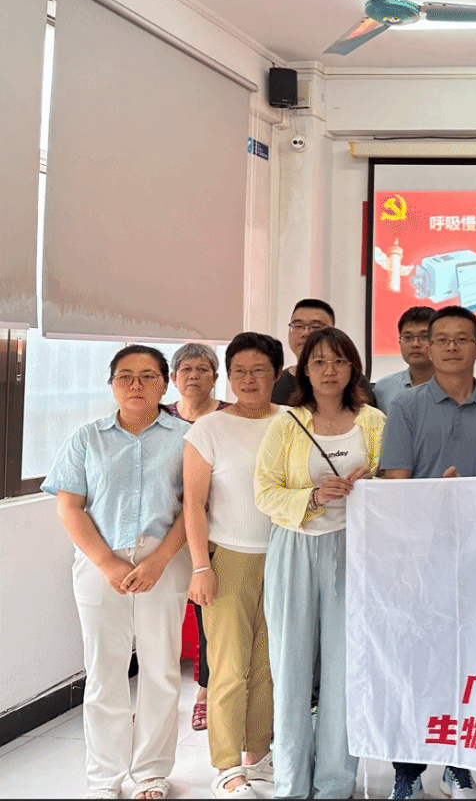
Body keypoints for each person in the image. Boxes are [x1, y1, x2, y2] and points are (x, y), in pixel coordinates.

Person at [380, 305, 476, 801]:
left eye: (463, 338)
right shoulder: (405, 407)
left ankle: (459, 766)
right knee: (414, 663)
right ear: (428, 347)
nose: (452, 347)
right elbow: (395, 485)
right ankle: (407, 768)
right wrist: (439, 495)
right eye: (441, 339)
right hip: (417, 556)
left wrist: (473, 492)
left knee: (469, 663)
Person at [42, 345, 192, 801]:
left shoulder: (188, 438)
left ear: (165, 384)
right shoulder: (87, 438)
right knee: (104, 671)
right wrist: (107, 563)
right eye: (125, 376)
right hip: (99, 561)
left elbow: (195, 507)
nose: (136, 384)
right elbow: (70, 507)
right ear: (111, 384)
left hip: (164, 560)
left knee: (160, 669)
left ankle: (151, 772)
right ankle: (104, 777)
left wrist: (158, 560)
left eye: (148, 376)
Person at [255, 326, 386, 800]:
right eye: (319, 362)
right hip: (294, 547)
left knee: (345, 669)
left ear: (354, 368)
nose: (330, 371)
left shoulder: (373, 422)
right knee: (289, 666)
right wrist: (312, 495)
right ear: (304, 370)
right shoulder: (286, 424)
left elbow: (394, 490)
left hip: (354, 550)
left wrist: (370, 486)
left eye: (339, 361)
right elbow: (264, 492)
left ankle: (335, 782)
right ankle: (291, 783)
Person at [184, 333, 286, 798]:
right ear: (228, 376)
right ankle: (227, 766)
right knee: (228, 668)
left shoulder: (293, 421)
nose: (248, 379)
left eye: (259, 370)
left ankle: (257, 756)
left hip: (284, 555)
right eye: (239, 371)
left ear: (277, 374)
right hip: (229, 558)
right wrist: (199, 567)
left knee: (267, 665)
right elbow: (193, 503)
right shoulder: (209, 429)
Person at [169, 342, 229, 732]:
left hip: (217, 531)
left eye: (203, 369)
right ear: (174, 378)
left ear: (215, 377)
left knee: (209, 617)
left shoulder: (229, 416)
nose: (194, 376)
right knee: (164, 616)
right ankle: (158, 700)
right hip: (168, 533)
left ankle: (205, 692)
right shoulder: (161, 417)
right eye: (186, 370)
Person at [273, 298, 375, 408]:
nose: (306, 333)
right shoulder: (274, 382)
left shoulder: (355, 383)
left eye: (316, 327)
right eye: (298, 326)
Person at [373, 306, 436, 415]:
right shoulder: (383, 388)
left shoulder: (457, 387)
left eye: (424, 336)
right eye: (407, 337)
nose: (415, 344)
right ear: (400, 342)